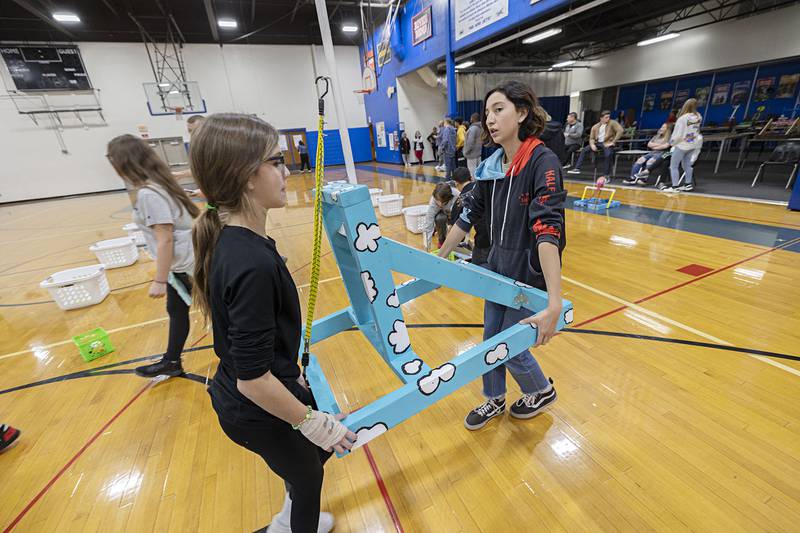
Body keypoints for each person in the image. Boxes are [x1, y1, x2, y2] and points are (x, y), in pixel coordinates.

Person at [190, 114, 355, 533]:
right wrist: (310, 420)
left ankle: (285, 520)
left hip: (259, 392)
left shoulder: (238, 241)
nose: (286, 171)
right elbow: (252, 380)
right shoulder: (250, 263)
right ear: (247, 177)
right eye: (276, 161)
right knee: (307, 473)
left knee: (313, 457)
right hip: (251, 407)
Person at [437, 80, 566, 431]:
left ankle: (540, 389)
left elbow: (548, 231)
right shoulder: (492, 165)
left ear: (521, 113)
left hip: (528, 273)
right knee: (490, 337)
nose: (490, 120)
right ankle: (494, 398)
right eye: (489, 111)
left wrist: (554, 302)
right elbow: (467, 217)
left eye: (500, 110)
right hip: (496, 268)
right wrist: (439, 257)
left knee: (507, 343)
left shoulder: (543, 161)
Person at [107, 134, 200, 378]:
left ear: (123, 163)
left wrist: (159, 279)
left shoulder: (149, 193)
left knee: (217, 310)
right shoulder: (161, 184)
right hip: (188, 259)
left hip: (184, 263)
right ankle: (171, 360)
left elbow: (165, 238)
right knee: (177, 309)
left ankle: (246, 362)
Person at [450, 167, 490, 266]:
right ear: (471, 177)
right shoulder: (483, 186)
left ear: (456, 183)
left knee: (477, 266)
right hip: (500, 241)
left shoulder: (461, 200)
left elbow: (456, 228)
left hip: (484, 243)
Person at [661, 98, 703, 193]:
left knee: (673, 166)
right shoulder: (699, 117)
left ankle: (675, 186)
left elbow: (678, 135)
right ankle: (688, 184)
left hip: (681, 145)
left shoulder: (682, 118)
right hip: (692, 144)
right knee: (687, 165)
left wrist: (671, 143)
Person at [567, 110, 623, 180]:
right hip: (598, 143)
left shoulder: (612, 123)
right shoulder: (595, 126)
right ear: (601, 118)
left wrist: (613, 142)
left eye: (608, 117)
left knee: (608, 155)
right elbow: (592, 138)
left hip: (607, 143)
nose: (608, 119)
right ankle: (577, 168)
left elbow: (620, 130)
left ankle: (606, 175)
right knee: (584, 150)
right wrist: (592, 145)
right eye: (606, 117)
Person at [423, 181, 460, 250]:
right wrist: (427, 248)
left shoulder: (457, 195)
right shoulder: (433, 202)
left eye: (443, 202)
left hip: (454, 216)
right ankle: (441, 240)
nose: (440, 204)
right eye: (437, 201)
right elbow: (428, 225)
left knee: (458, 239)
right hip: (443, 216)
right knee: (440, 218)